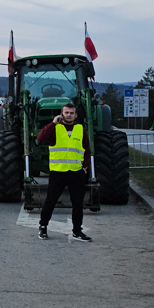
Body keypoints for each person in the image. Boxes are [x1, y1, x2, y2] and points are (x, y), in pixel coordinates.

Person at [36, 103, 92, 242]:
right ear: (62, 114)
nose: (69, 115)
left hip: (76, 173)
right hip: (58, 172)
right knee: (50, 201)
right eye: (66, 113)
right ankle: (43, 227)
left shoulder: (80, 129)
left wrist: (85, 167)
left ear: (76, 115)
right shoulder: (55, 128)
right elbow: (40, 139)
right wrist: (52, 123)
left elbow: (87, 149)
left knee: (78, 203)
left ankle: (77, 231)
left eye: (71, 113)